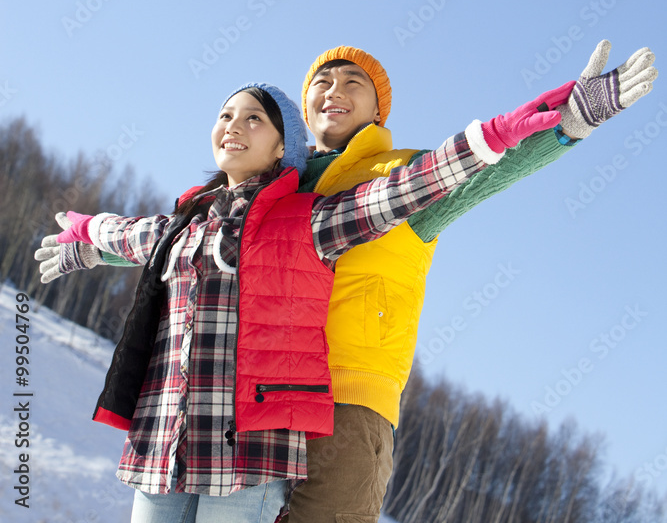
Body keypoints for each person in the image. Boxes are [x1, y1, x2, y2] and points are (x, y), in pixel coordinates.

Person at [38, 76, 576, 522]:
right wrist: (83, 238)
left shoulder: (309, 218)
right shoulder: (185, 224)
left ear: (282, 148)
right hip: (166, 441)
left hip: (258, 442)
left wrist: (525, 131)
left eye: (254, 119)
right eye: (226, 115)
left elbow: (420, 185)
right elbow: (131, 236)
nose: (234, 126)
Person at [284, 39, 657, 523]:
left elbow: (490, 167)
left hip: (349, 400)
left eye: (353, 83)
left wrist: (567, 126)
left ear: (378, 110)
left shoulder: (405, 172)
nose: (335, 90)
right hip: (258, 397)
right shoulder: (280, 183)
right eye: (322, 82)